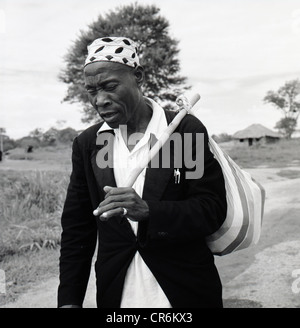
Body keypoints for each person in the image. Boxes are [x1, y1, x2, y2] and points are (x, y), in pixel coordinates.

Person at [57, 37, 227, 308]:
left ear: (138, 76)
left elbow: (211, 209)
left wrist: (149, 210)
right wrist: (69, 301)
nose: (100, 100)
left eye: (110, 87)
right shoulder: (91, 143)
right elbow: (77, 229)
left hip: (183, 291)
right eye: (91, 91)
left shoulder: (181, 132)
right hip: (118, 295)